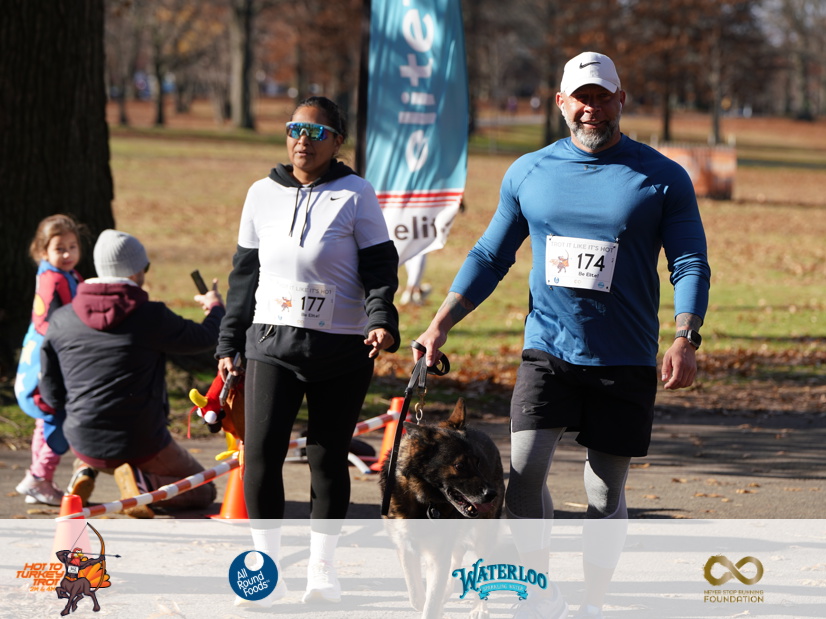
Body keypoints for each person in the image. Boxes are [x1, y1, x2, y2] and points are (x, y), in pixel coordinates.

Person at [414, 52, 711, 619]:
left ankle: (592, 603)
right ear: (561, 103)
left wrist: (685, 335)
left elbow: (690, 261)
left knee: (604, 491)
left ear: (621, 100)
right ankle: (538, 593)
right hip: (547, 349)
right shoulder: (530, 172)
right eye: (581, 97)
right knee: (524, 477)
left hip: (624, 357)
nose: (591, 108)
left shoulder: (662, 177)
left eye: (602, 96)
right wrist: (438, 325)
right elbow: (490, 255)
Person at [215, 96, 400, 607]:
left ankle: (322, 570)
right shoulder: (261, 194)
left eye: (316, 132)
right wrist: (229, 341)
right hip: (271, 344)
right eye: (295, 129)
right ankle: (264, 570)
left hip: (341, 347)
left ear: (337, 141)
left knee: (326, 457)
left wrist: (381, 319)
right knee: (261, 454)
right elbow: (243, 277)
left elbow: (380, 268)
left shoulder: (357, 194)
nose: (303, 140)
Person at [39, 229, 224, 518]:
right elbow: (205, 337)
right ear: (137, 271)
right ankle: (141, 485)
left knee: (94, 442)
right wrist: (215, 307)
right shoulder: (151, 316)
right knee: (203, 491)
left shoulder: (62, 319)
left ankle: (84, 469)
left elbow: (51, 392)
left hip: (82, 436)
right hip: (142, 440)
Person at [13, 214, 85, 506]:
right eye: (59, 249)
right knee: (56, 418)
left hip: (48, 359)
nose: (68, 254)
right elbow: (51, 324)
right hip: (47, 363)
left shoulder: (65, 275)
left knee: (44, 422)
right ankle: (38, 478)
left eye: (72, 247)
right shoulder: (53, 280)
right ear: (43, 251)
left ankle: (40, 480)